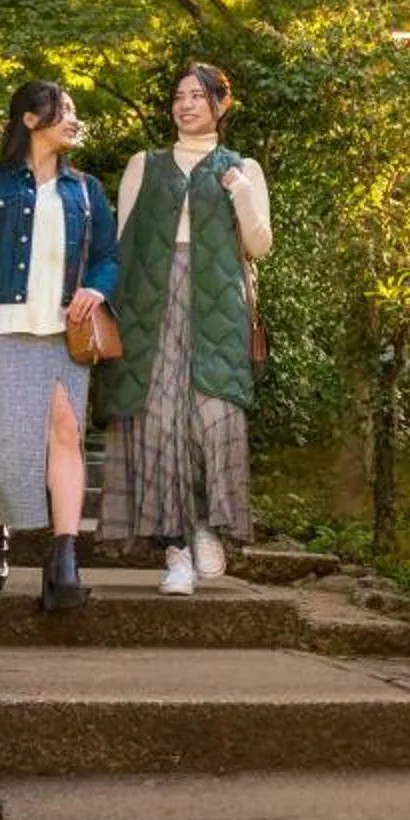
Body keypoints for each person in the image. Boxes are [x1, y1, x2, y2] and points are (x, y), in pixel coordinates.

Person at [98, 63, 272, 594]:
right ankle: (175, 551)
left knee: (215, 420)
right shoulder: (142, 165)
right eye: (179, 96)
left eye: (198, 96)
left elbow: (261, 245)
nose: (186, 105)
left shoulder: (243, 167)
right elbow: (120, 248)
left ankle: (204, 526)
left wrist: (240, 190)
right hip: (151, 308)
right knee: (158, 427)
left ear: (221, 104)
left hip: (217, 308)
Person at [0, 81, 118, 611]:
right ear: (29, 119)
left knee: (66, 433)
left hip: (63, 335)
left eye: (74, 111)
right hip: (0, 329)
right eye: (62, 110)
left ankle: (63, 558)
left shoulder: (86, 190)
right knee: (1, 446)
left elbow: (109, 256)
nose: (73, 119)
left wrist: (96, 287)